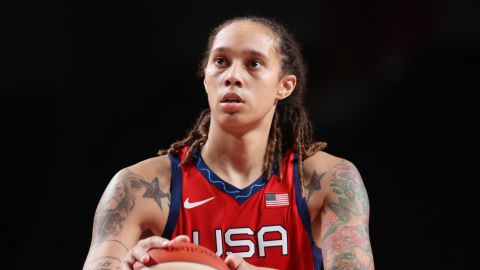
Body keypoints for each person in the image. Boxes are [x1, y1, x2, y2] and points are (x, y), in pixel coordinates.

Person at [83, 16, 374, 270]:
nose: (233, 76)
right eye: (220, 61)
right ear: (206, 78)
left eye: (254, 64)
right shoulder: (138, 186)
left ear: (284, 86)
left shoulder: (328, 180)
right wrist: (129, 265)